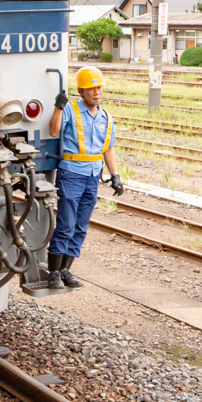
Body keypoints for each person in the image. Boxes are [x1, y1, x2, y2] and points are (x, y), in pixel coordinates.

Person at [47, 66, 124, 290]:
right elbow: (53, 131)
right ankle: (53, 273)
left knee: (80, 226)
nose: (97, 92)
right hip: (71, 173)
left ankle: (65, 271)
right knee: (66, 224)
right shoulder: (70, 109)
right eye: (92, 88)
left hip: (92, 176)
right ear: (81, 91)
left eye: (99, 87)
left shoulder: (106, 117)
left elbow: (108, 149)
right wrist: (58, 108)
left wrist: (115, 175)